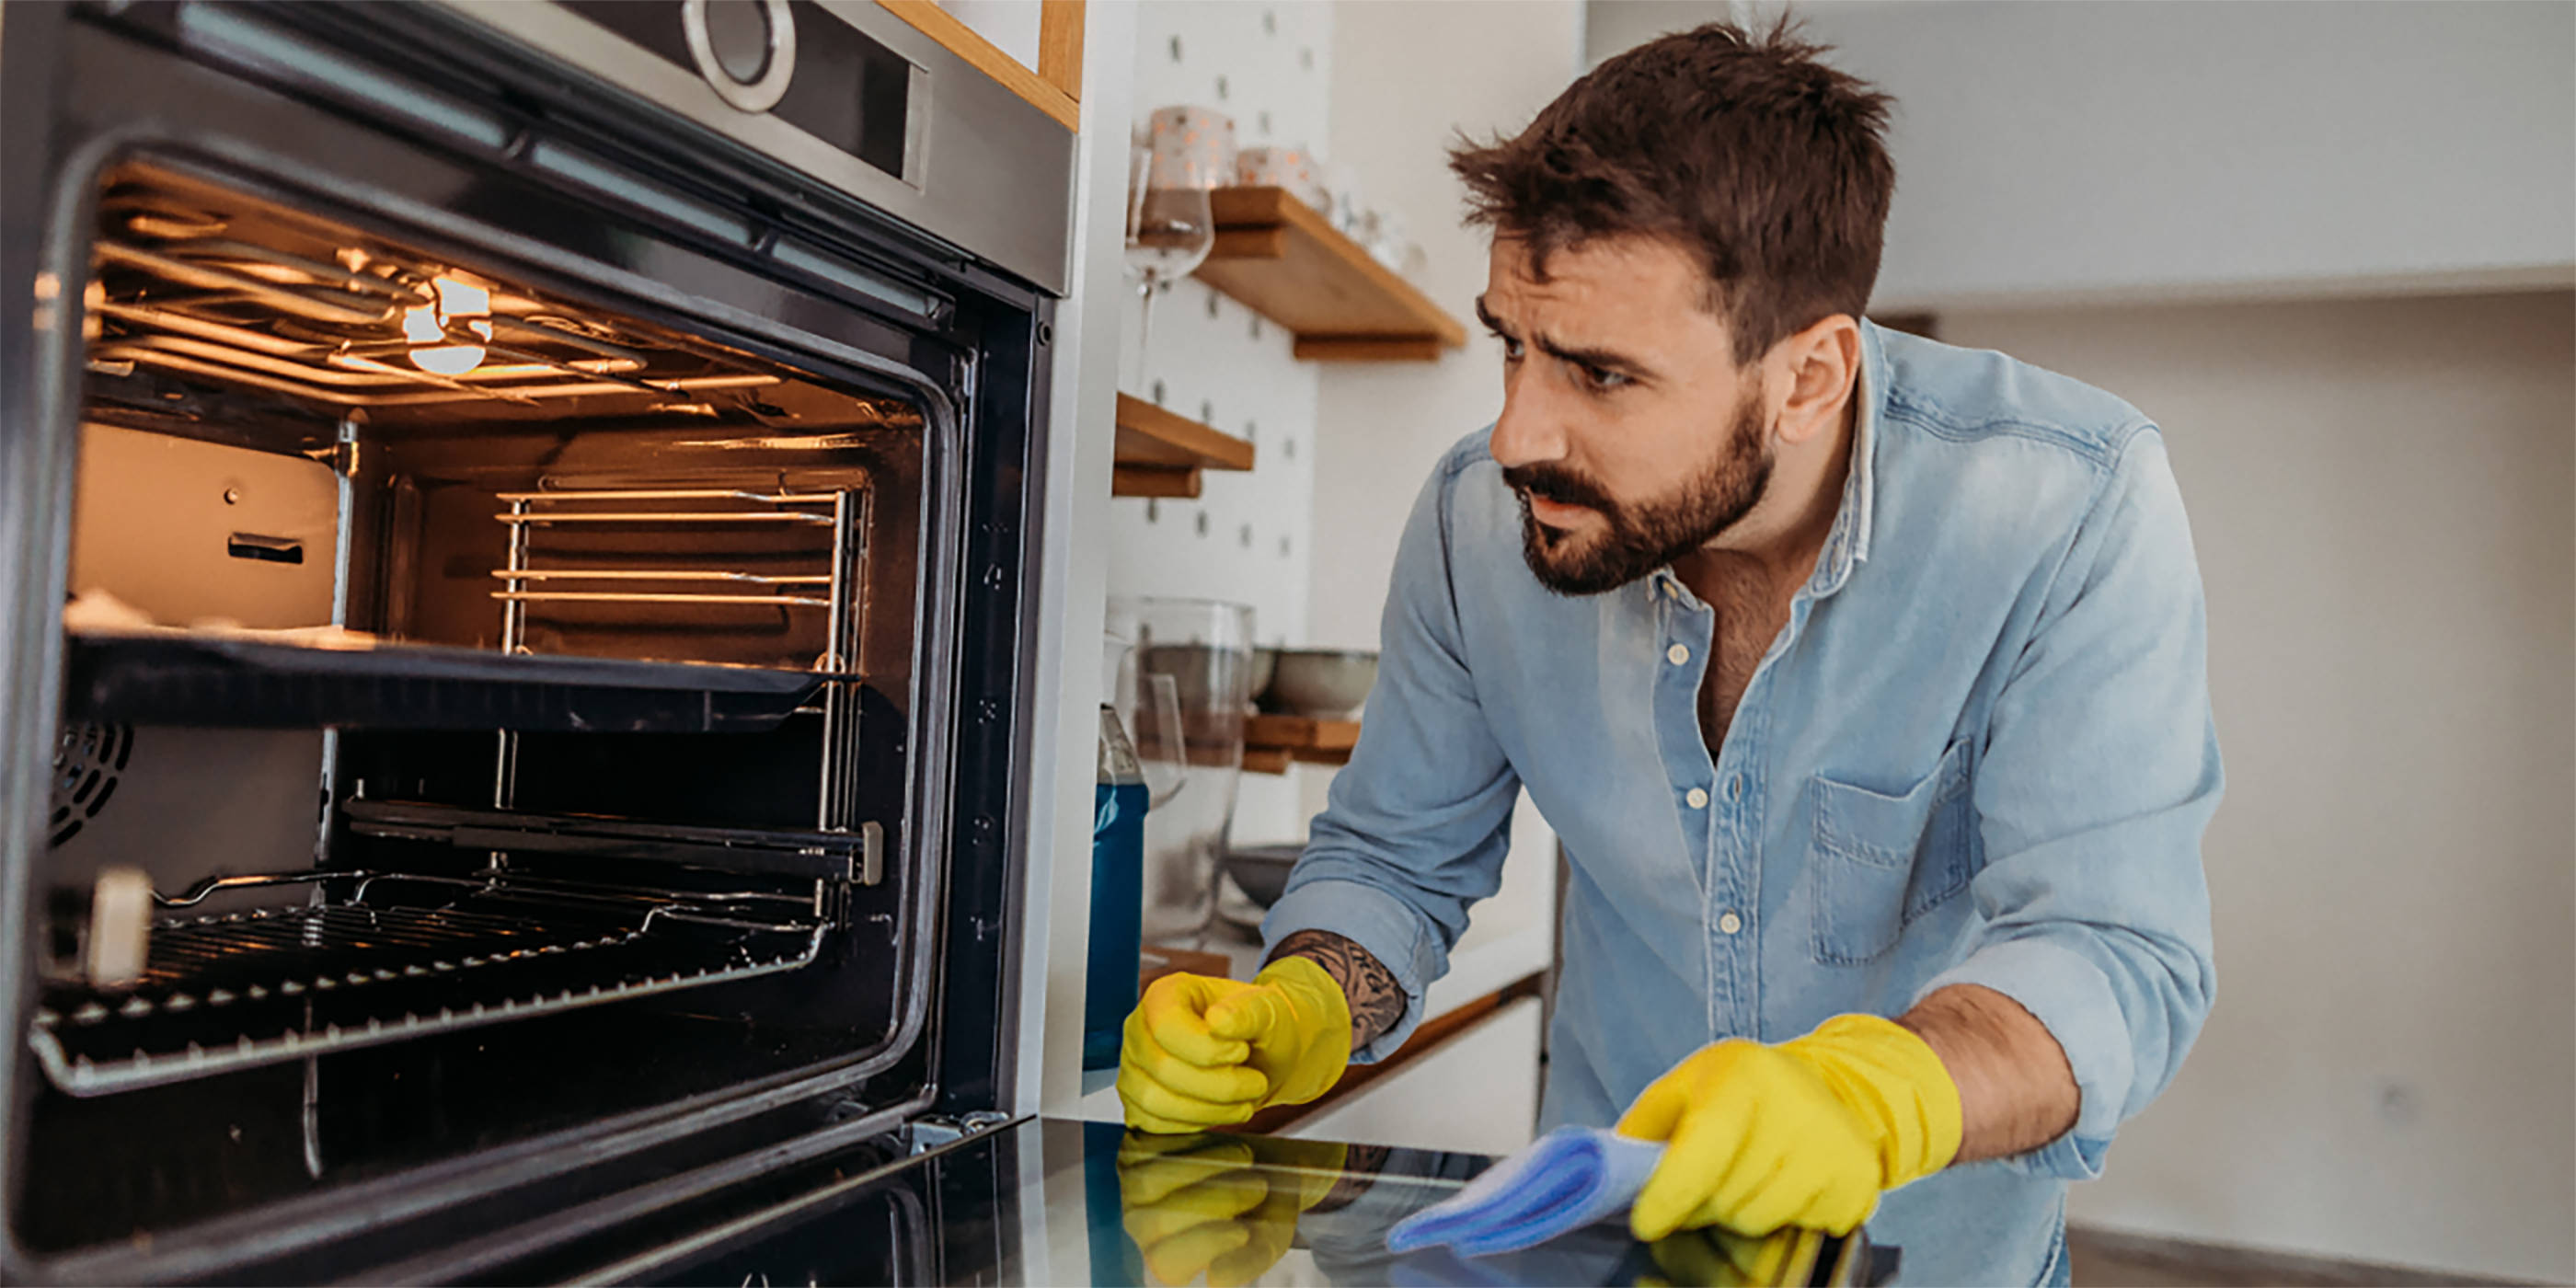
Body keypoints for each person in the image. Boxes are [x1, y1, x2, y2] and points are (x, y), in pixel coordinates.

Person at [1114, 17, 2219, 1286]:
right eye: (1513, 345)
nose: (1520, 430)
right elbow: (1394, 861)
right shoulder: (1477, 518)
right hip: (1602, 1255)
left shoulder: (2066, 506)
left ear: (1808, 378)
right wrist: (1301, 1003)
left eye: (1601, 374)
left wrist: (1878, 1098)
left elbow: (2115, 949)